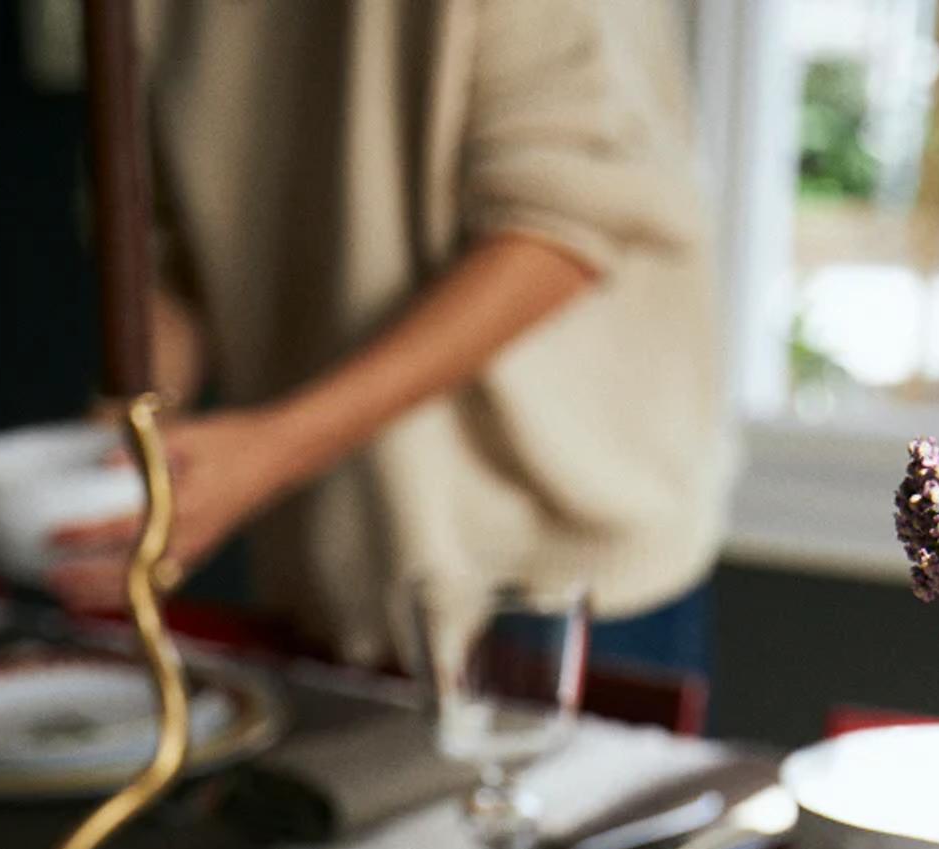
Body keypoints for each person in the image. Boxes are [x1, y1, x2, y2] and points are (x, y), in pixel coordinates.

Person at [50, 0, 726, 669]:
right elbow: (169, 248)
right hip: (337, 553)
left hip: (552, 556)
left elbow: (563, 227)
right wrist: (125, 458)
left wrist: (272, 452)